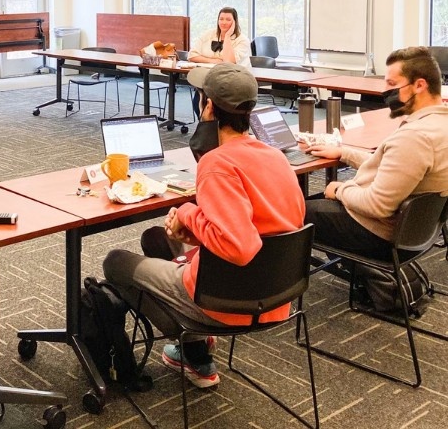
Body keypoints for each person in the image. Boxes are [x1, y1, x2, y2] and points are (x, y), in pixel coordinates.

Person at [103, 64, 305, 388]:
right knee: (156, 239)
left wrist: (187, 212)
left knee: (116, 262)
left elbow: (240, 247)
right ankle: (196, 347)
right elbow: (264, 228)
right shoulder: (275, 156)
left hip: (226, 303)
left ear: (207, 106)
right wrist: (198, 227)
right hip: (277, 296)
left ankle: (192, 343)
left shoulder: (217, 163)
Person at [303, 46, 448, 260]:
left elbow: (376, 206)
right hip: (416, 232)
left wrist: (341, 189)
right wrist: (344, 152)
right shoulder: (438, 125)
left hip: (378, 233)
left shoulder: (415, 137)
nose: (385, 92)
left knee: (293, 209)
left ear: (419, 85)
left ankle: (281, 285)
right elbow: (394, 166)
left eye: (392, 84)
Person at [187, 6, 251, 117]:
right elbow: (191, 55)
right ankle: (206, 128)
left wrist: (227, 36)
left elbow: (229, 61)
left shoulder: (242, 40)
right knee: (198, 103)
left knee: (219, 108)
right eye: (221, 19)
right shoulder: (208, 34)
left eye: (228, 19)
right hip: (208, 78)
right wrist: (213, 61)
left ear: (235, 22)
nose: (224, 22)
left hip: (232, 82)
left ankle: (219, 129)